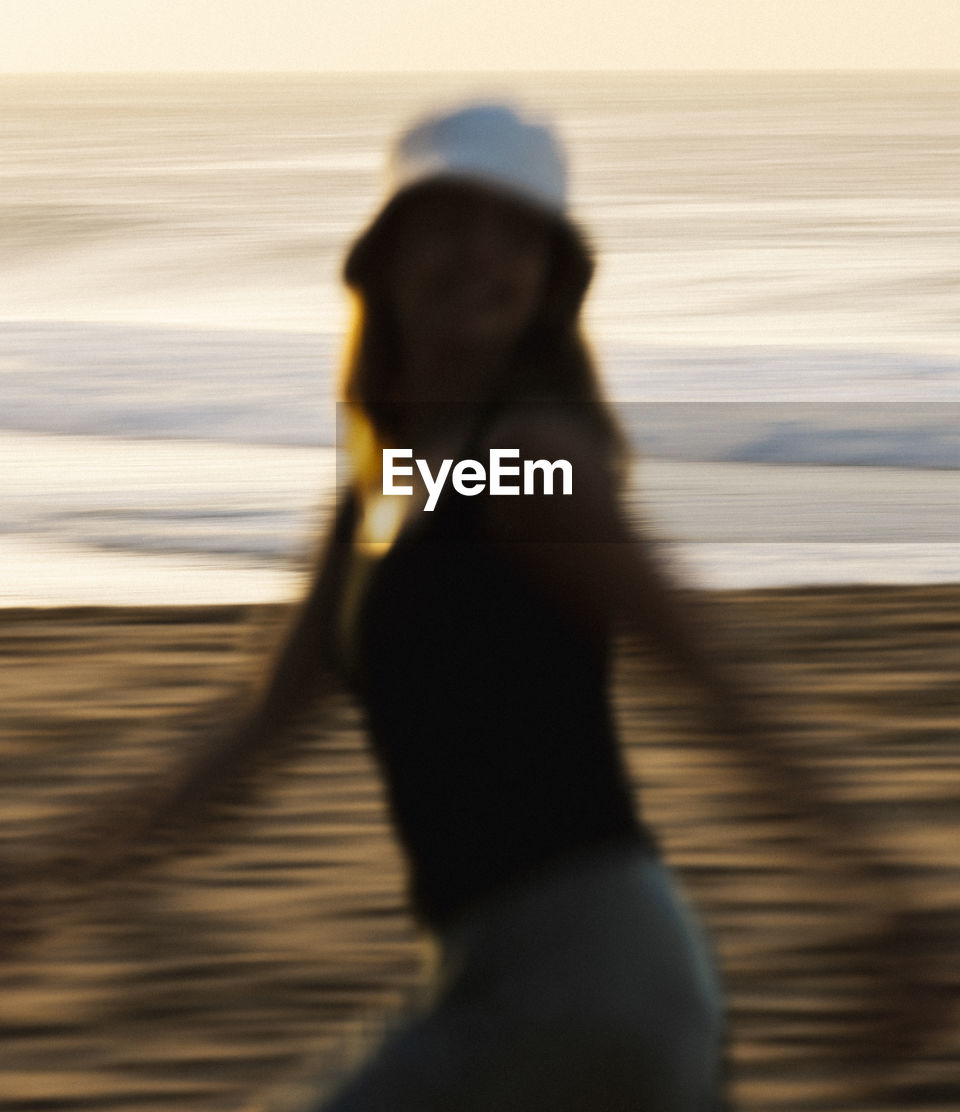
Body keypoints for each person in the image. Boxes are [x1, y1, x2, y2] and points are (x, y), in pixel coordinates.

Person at [53, 103, 943, 1109]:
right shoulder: (381, 490)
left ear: (550, 281)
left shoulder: (524, 462)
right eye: (447, 223)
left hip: (590, 980)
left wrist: (881, 892)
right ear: (383, 262)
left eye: (516, 234)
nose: (482, 255)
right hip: (514, 977)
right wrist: (61, 873)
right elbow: (255, 729)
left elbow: (712, 671)